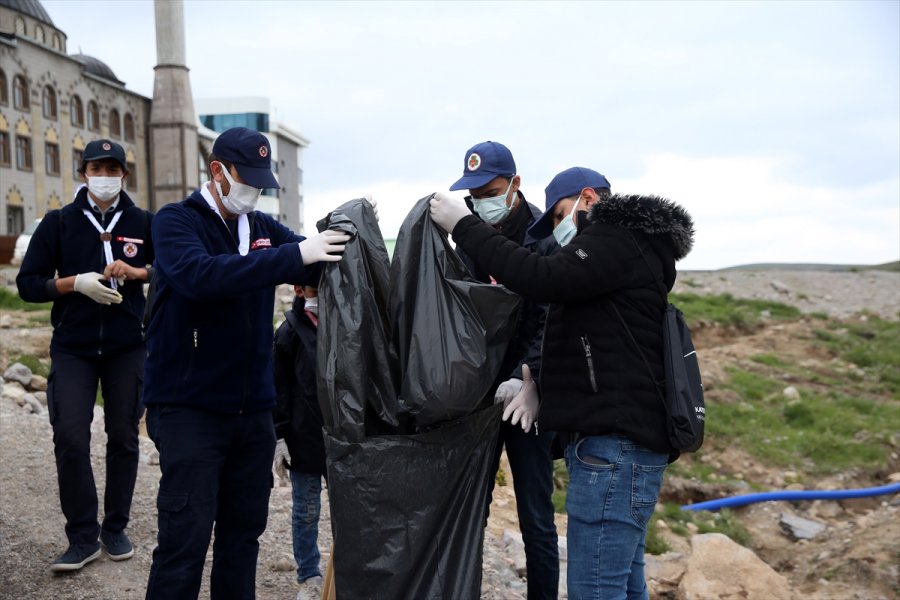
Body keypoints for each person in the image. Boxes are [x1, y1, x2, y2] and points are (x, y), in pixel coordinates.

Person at [429, 166, 695, 599]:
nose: (556, 229)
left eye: (558, 216)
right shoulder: (628, 256)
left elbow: (543, 277)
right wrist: (537, 383)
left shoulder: (616, 239)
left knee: (594, 588)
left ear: (589, 199)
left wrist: (464, 225)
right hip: (617, 446)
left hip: (614, 448)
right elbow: (587, 338)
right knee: (624, 585)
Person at [142, 127, 353, 599]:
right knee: (185, 541)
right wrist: (295, 254)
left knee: (242, 538)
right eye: (247, 180)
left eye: (262, 183)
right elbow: (201, 276)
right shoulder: (176, 222)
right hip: (190, 408)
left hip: (252, 413)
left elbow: (310, 260)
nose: (254, 192)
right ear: (217, 172)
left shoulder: (259, 228)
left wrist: (350, 235)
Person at [16, 139, 154, 572]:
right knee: (71, 436)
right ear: (83, 172)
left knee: (124, 437)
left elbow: (171, 268)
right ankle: (82, 536)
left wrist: (137, 272)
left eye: (114, 169)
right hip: (73, 347)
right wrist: (72, 283)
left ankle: (115, 527)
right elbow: (27, 283)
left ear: (124, 175)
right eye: (98, 167)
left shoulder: (144, 221)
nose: (106, 176)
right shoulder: (58, 223)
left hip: (126, 346)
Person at [446, 141, 560, 599]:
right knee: (469, 509)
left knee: (536, 516)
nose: (480, 203)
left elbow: (551, 315)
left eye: (491, 191)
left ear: (515, 185)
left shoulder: (546, 239)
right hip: (477, 395)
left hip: (527, 397)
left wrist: (526, 373)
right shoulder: (468, 237)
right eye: (473, 196)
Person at [272, 284, 327, 600]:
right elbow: (277, 387)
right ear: (299, 289)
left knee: (352, 509)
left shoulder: (347, 321)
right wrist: (279, 436)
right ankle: (309, 574)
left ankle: (345, 571)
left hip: (342, 439)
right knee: (306, 509)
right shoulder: (289, 332)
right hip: (303, 438)